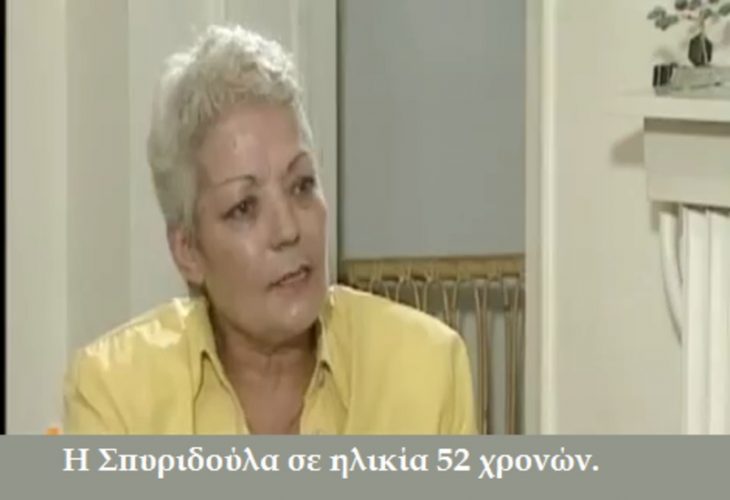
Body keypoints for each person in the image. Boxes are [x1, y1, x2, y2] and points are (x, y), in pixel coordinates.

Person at [62, 25, 476, 435]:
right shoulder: (114, 393)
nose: (288, 230)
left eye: (302, 185)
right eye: (244, 208)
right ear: (188, 250)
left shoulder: (428, 369)